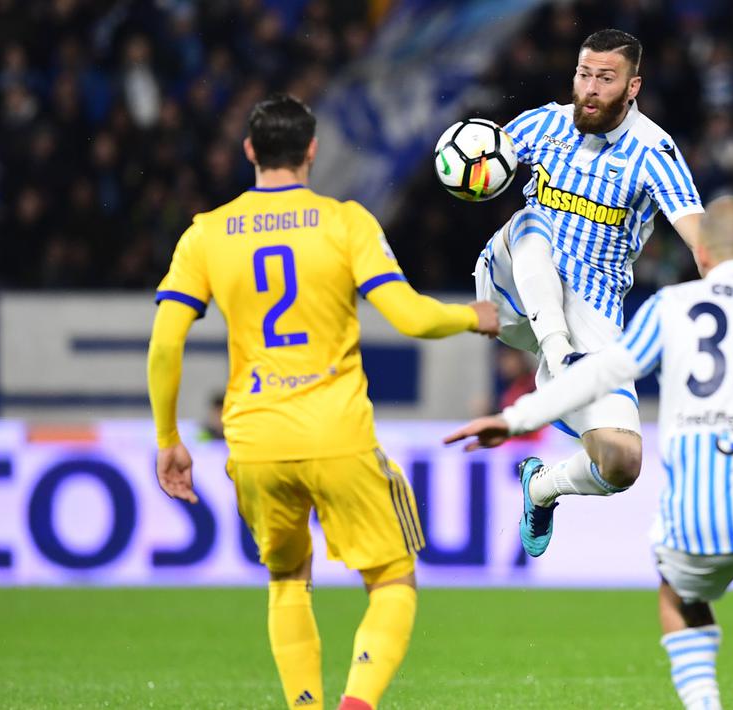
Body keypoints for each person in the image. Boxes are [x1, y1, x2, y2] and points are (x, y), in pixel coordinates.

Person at [146, 93, 498, 710]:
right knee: (392, 579)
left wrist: (168, 439)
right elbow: (410, 318)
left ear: (251, 150)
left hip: (254, 440)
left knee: (286, 578)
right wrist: (474, 316)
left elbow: (164, 345)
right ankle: (356, 703)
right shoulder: (344, 223)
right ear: (312, 150)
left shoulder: (205, 233)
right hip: (338, 433)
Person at [448, 196, 733, 710]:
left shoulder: (672, 308)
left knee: (680, 593)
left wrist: (514, 419)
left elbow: (599, 372)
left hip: (697, 516)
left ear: (702, 254)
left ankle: (705, 704)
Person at [476, 28, 704, 556]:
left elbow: (698, 235)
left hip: (590, 314)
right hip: (512, 286)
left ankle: (540, 488)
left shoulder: (654, 151)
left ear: (633, 87)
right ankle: (559, 359)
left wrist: (730, 281)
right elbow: (483, 161)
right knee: (534, 223)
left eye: (606, 79)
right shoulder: (544, 122)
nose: (591, 89)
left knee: (622, 462)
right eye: (585, 75)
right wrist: (470, 167)